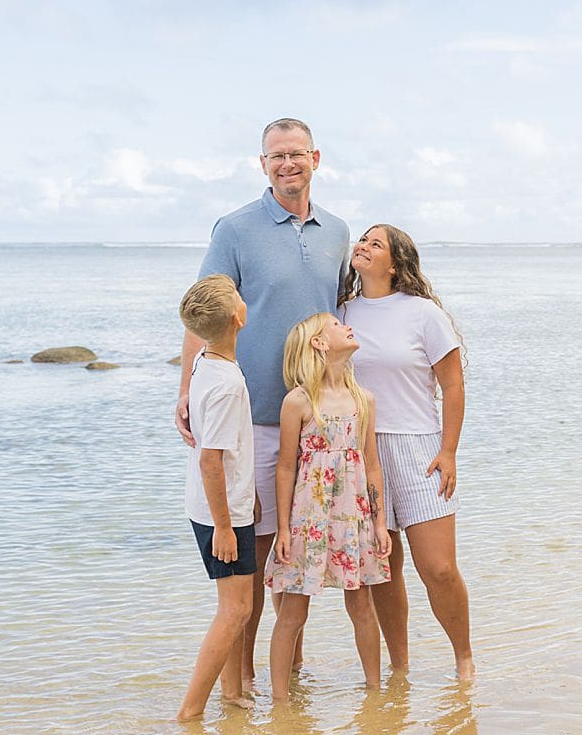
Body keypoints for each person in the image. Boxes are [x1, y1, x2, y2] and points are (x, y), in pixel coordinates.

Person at [175, 118, 351, 683]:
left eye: (296, 154)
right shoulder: (235, 228)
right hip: (251, 422)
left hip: (315, 421)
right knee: (249, 560)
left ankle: (286, 680)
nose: (286, 164)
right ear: (262, 164)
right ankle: (241, 684)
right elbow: (204, 309)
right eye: (276, 156)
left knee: (292, 563)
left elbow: (342, 316)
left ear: (316, 158)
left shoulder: (338, 232)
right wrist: (185, 389)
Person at [339, 224, 473, 680]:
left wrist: (449, 450)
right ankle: (400, 668)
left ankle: (464, 659)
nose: (362, 246)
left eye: (375, 243)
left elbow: (453, 385)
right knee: (384, 568)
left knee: (437, 567)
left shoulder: (423, 315)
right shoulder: (341, 312)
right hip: (359, 449)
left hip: (419, 448)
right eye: (362, 240)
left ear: (395, 264)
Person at [265, 312, 393, 698]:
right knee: (293, 611)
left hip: (354, 517)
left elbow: (372, 464)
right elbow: (285, 467)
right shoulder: (299, 401)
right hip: (310, 518)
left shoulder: (362, 399)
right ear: (319, 343)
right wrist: (284, 529)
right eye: (336, 326)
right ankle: (280, 703)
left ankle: (375, 693)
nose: (347, 326)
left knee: (361, 604)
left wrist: (380, 522)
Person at [176, 274, 256, 721]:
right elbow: (211, 461)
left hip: (215, 505)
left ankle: (230, 694)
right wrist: (225, 527)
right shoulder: (226, 384)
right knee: (235, 610)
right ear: (238, 318)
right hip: (221, 513)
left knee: (232, 609)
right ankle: (189, 712)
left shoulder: (205, 363)